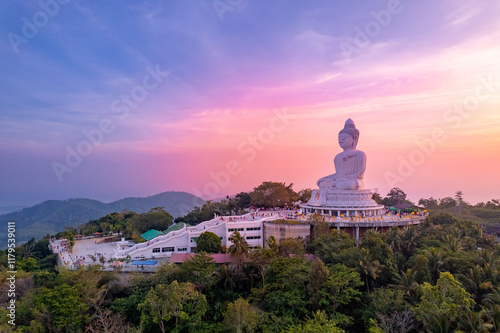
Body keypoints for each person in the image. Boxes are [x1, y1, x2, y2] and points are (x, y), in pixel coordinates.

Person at [316, 118, 367, 190]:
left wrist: (342, 179)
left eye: (343, 138)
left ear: (354, 138)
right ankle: (337, 185)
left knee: (350, 185)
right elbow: (338, 174)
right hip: (340, 181)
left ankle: (337, 185)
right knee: (322, 184)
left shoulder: (360, 154)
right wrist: (324, 178)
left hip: (355, 181)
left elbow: (359, 174)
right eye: (339, 138)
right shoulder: (338, 157)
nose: (340, 140)